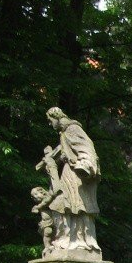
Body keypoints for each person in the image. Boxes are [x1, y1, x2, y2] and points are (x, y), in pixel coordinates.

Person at [35, 107, 101, 255]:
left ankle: (77, 240)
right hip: (68, 172)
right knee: (66, 204)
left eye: (50, 120)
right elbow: (61, 151)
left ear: (56, 117)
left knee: (75, 204)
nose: (50, 123)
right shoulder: (65, 132)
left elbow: (86, 147)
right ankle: (68, 239)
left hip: (75, 173)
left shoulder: (72, 129)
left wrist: (85, 164)